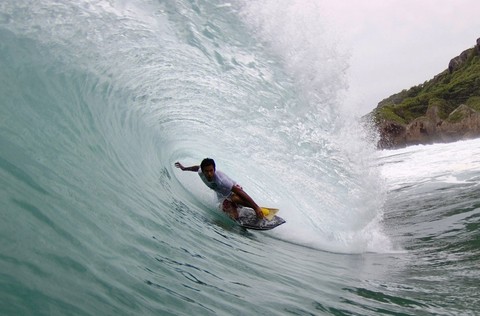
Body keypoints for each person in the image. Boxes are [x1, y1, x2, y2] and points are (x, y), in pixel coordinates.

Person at [174, 158, 264, 220]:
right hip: (223, 196)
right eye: (207, 171)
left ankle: (256, 208)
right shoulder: (200, 171)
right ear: (203, 170)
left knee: (234, 198)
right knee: (234, 216)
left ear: (214, 169)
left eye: (211, 170)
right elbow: (197, 168)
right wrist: (184, 168)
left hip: (234, 191)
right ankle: (239, 208)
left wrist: (256, 207)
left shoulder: (222, 181)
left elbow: (239, 191)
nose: (209, 174)